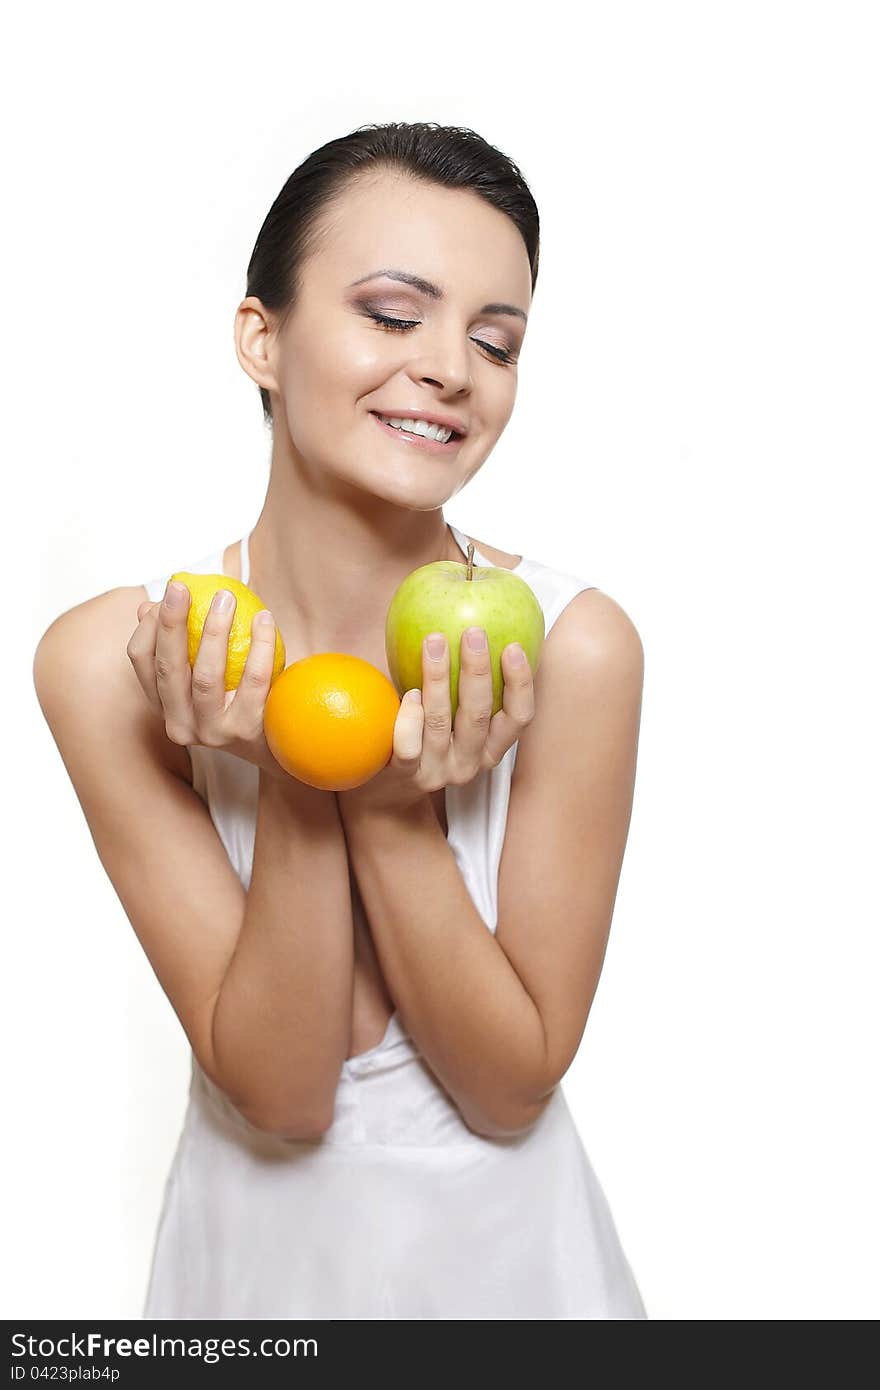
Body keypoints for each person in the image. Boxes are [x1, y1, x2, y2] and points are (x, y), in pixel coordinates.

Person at [33, 121, 647, 1319]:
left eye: (494, 339)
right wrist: (289, 761)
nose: (450, 370)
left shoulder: (573, 646)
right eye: (389, 312)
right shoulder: (113, 662)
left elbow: (508, 1085)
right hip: (250, 1293)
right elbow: (285, 1089)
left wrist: (375, 793)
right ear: (262, 337)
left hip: (517, 1283)